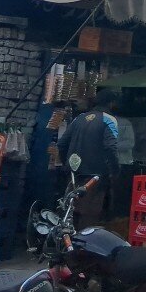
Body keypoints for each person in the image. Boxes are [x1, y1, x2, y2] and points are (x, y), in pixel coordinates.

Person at [57, 90, 120, 229]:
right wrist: (115, 170)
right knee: (89, 216)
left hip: (74, 175)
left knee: (71, 211)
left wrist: (67, 164)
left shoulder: (79, 118)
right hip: (94, 176)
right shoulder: (109, 119)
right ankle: (82, 248)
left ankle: (66, 245)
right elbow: (111, 147)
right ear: (111, 103)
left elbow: (61, 144)